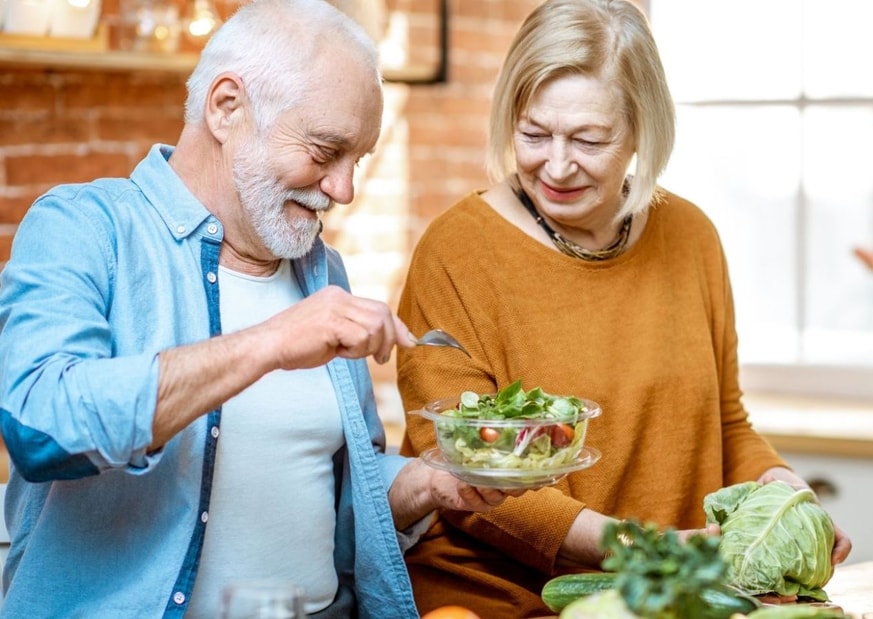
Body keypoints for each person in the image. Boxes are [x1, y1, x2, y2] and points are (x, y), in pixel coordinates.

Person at [0, 1, 516, 617]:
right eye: (326, 151)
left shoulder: (321, 272)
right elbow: (40, 425)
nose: (344, 190)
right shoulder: (85, 227)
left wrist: (430, 483)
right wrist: (269, 342)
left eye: (360, 160)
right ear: (226, 107)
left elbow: (328, 498)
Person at [394, 0, 854, 616]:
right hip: (497, 600)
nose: (555, 165)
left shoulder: (691, 237)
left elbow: (726, 422)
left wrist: (785, 495)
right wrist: (643, 548)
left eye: (589, 139)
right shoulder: (457, 251)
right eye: (532, 134)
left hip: (668, 593)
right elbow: (458, 471)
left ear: (642, 130)